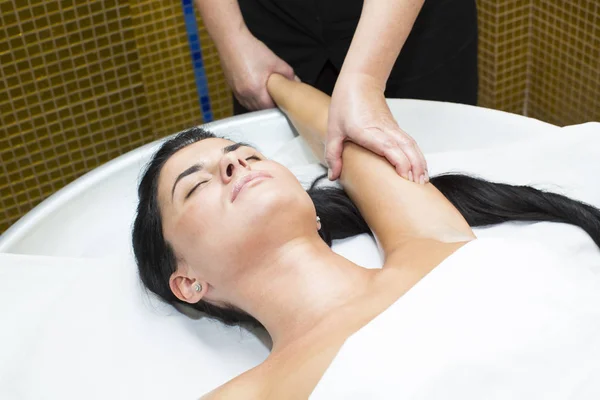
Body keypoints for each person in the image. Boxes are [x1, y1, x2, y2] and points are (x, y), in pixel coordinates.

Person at [132, 75, 600, 398]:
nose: (234, 165)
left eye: (249, 156)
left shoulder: (429, 240)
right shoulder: (252, 394)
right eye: (195, 186)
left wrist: (270, 81)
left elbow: (345, 134)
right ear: (188, 282)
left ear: (310, 207)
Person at [194, 0, 478, 184]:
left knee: (435, 181)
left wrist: (364, 79)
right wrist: (232, 37)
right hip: (268, 23)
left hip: (407, 22)